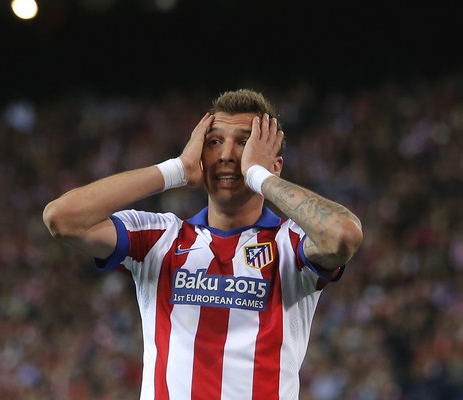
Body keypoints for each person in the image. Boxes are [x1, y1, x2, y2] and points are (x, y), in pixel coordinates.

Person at [42, 89, 363, 400]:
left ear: (272, 164)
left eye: (245, 143)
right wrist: (176, 169)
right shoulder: (159, 237)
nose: (227, 154)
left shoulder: (289, 244)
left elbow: (343, 235)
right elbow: (62, 218)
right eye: (214, 142)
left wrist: (258, 176)